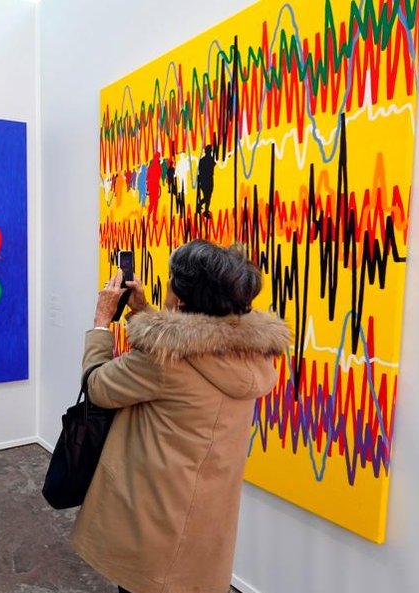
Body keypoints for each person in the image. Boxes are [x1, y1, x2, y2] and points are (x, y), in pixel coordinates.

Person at [74, 239, 290, 593]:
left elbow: (97, 386)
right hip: (204, 513)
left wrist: (100, 325)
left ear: (182, 299)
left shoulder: (164, 362)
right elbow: (186, 350)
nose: (169, 283)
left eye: (172, 278)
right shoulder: (252, 353)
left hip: (153, 513)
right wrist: (142, 312)